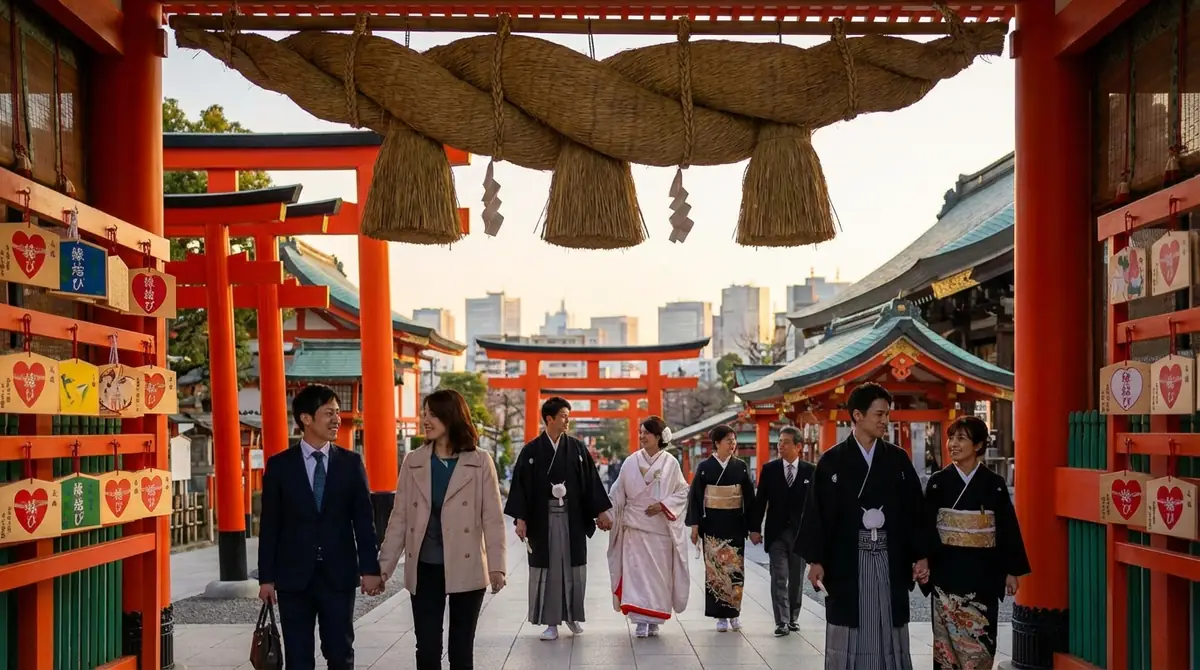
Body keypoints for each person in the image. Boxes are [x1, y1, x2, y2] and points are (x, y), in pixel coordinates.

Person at [798, 382, 928, 670]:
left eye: (887, 414)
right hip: (847, 559)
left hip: (889, 556)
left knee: (887, 621)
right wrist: (816, 560)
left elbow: (914, 511)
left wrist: (921, 554)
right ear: (857, 415)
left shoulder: (897, 459)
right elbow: (816, 513)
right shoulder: (832, 461)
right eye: (879, 414)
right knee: (849, 623)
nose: (885, 420)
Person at [377, 389, 507, 670]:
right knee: (426, 648)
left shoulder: (480, 461)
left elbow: (493, 518)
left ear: (451, 417)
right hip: (425, 566)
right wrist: (383, 568)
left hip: (467, 565)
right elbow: (399, 518)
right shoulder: (413, 461)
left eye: (433, 414)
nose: (426, 419)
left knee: (461, 649)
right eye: (425, 413)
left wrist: (497, 567)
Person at [257, 384, 383, 670]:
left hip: (338, 576)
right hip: (293, 578)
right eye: (329, 413)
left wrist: (370, 570)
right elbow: (270, 525)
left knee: (340, 653)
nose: (337, 419)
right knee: (298, 659)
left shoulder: (350, 463)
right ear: (306, 419)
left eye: (337, 412)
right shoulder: (279, 466)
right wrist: (266, 578)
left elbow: (364, 520)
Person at [920, 416, 1030, 670]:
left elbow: (1006, 528)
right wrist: (923, 559)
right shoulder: (938, 482)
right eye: (951, 438)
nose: (952, 444)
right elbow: (925, 525)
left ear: (979, 445)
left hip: (983, 575)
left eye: (961, 438)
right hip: (946, 573)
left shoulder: (994, 484)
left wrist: (1012, 570)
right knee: (946, 650)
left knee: (980, 647)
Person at [504, 396, 614, 641]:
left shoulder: (576, 449)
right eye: (563, 415)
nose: (567, 420)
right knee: (548, 569)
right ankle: (550, 622)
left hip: (572, 518)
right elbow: (520, 488)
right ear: (549, 419)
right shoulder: (531, 451)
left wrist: (601, 512)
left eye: (568, 415)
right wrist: (520, 519)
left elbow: (590, 483)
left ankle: (573, 615)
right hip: (542, 521)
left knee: (573, 568)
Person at [607, 416, 691, 638]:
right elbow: (617, 492)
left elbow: (683, 491)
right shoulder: (631, 461)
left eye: (647, 433)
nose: (642, 436)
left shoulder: (670, 463)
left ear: (658, 436)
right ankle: (640, 621)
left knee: (658, 577)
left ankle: (654, 619)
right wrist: (605, 514)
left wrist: (664, 505)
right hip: (634, 528)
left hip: (659, 531)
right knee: (636, 574)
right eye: (640, 432)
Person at [686, 424, 760, 632]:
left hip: (735, 523)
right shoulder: (704, 467)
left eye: (734, 440)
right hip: (713, 524)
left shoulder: (741, 466)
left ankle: (734, 613)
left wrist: (754, 528)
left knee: (735, 569)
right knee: (715, 571)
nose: (732, 444)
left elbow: (750, 498)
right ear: (717, 444)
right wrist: (695, 525)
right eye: (728, 440)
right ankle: (720, 616)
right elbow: (695, 497)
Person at [752, 425, 816, 636]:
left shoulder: (811, 471)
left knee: (796, 578)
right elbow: (760, 501)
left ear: (798, 446)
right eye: (779, 442)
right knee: (779, 576)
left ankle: (793, 617)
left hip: (801, 534)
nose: (781, 446)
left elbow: (817, 505)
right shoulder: (769, 470)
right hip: (777, 532)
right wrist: (754, 528)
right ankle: (782, 621)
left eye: (786, 442)